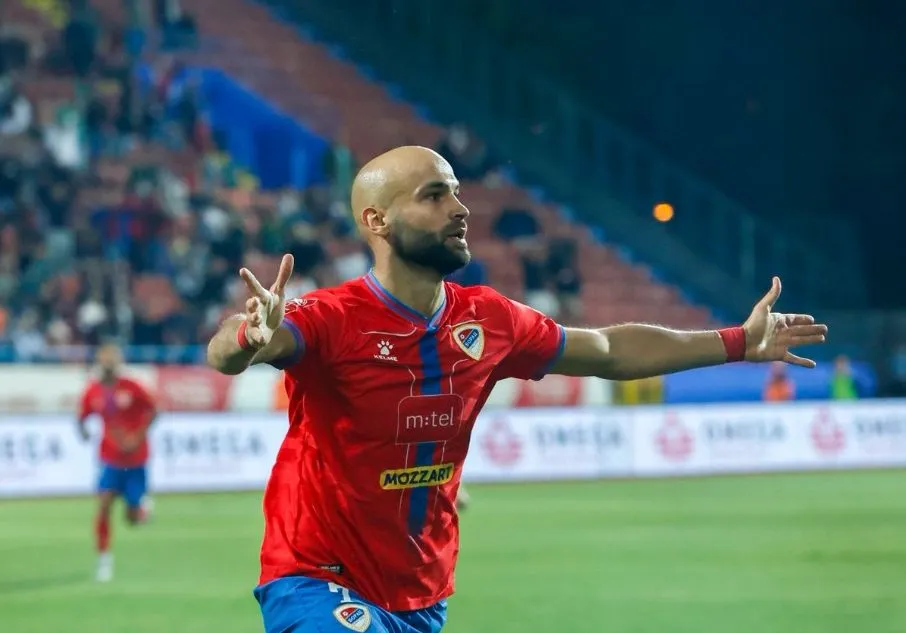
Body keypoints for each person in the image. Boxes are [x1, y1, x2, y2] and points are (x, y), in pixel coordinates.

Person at [206, 146, 827, 633]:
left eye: (457, 191)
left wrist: (737, 342)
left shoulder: (489, 319)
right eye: (434, 195)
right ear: (377, 220)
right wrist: (248, 335)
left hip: (420, 591)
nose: (460, 208)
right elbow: (232, 348)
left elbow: (607, 350)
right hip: (316, 577)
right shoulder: (333, 317)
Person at [77, 342, 157, 582]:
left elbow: (153, 411)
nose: (108, 366)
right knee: (103, 505)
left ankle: (141, 509)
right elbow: (82, 416)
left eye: (111, 362)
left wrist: (138, 436)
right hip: (110, 458)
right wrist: (83, 431)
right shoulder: (94, 390)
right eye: (104, 362)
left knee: (131, 518)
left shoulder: (131, 387)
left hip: (136, 459)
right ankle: (104, 558)